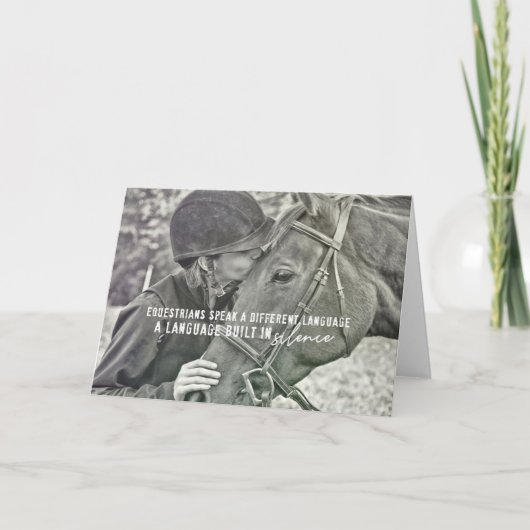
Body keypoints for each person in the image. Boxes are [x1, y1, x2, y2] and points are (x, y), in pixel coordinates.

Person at [91, 190, 275, 401]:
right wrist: (171, 392)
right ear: (206, 262)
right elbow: (101, 393)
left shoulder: (234, 304)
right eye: (244, 250)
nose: (258, 253)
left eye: (258, 245)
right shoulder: (151, 310)